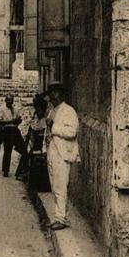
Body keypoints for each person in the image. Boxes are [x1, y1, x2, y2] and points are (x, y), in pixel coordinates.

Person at [45, 81, 79, 230]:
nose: (53, 96)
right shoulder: (52, 110)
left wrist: (54, 127)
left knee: (60, 185)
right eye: (51, 93)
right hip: (52, 150)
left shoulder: (68, 111)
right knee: (54, 185)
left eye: (55, 92)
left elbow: (72, 132)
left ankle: (61, 218)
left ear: (61, 94)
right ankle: (60, 216)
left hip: (62, 152)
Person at [0, 94, 28, 177]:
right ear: (5, 101)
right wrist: (11, 121)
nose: (10, 103)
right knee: (7, 151)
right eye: (8, 101)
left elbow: (19, 119)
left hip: (15, 130)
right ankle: (5, 171)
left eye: (11, 101)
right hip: (7, 130)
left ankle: (22, 170)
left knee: (23, 149)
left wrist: (18, 121)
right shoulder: (2, 109)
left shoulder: (15, 109)